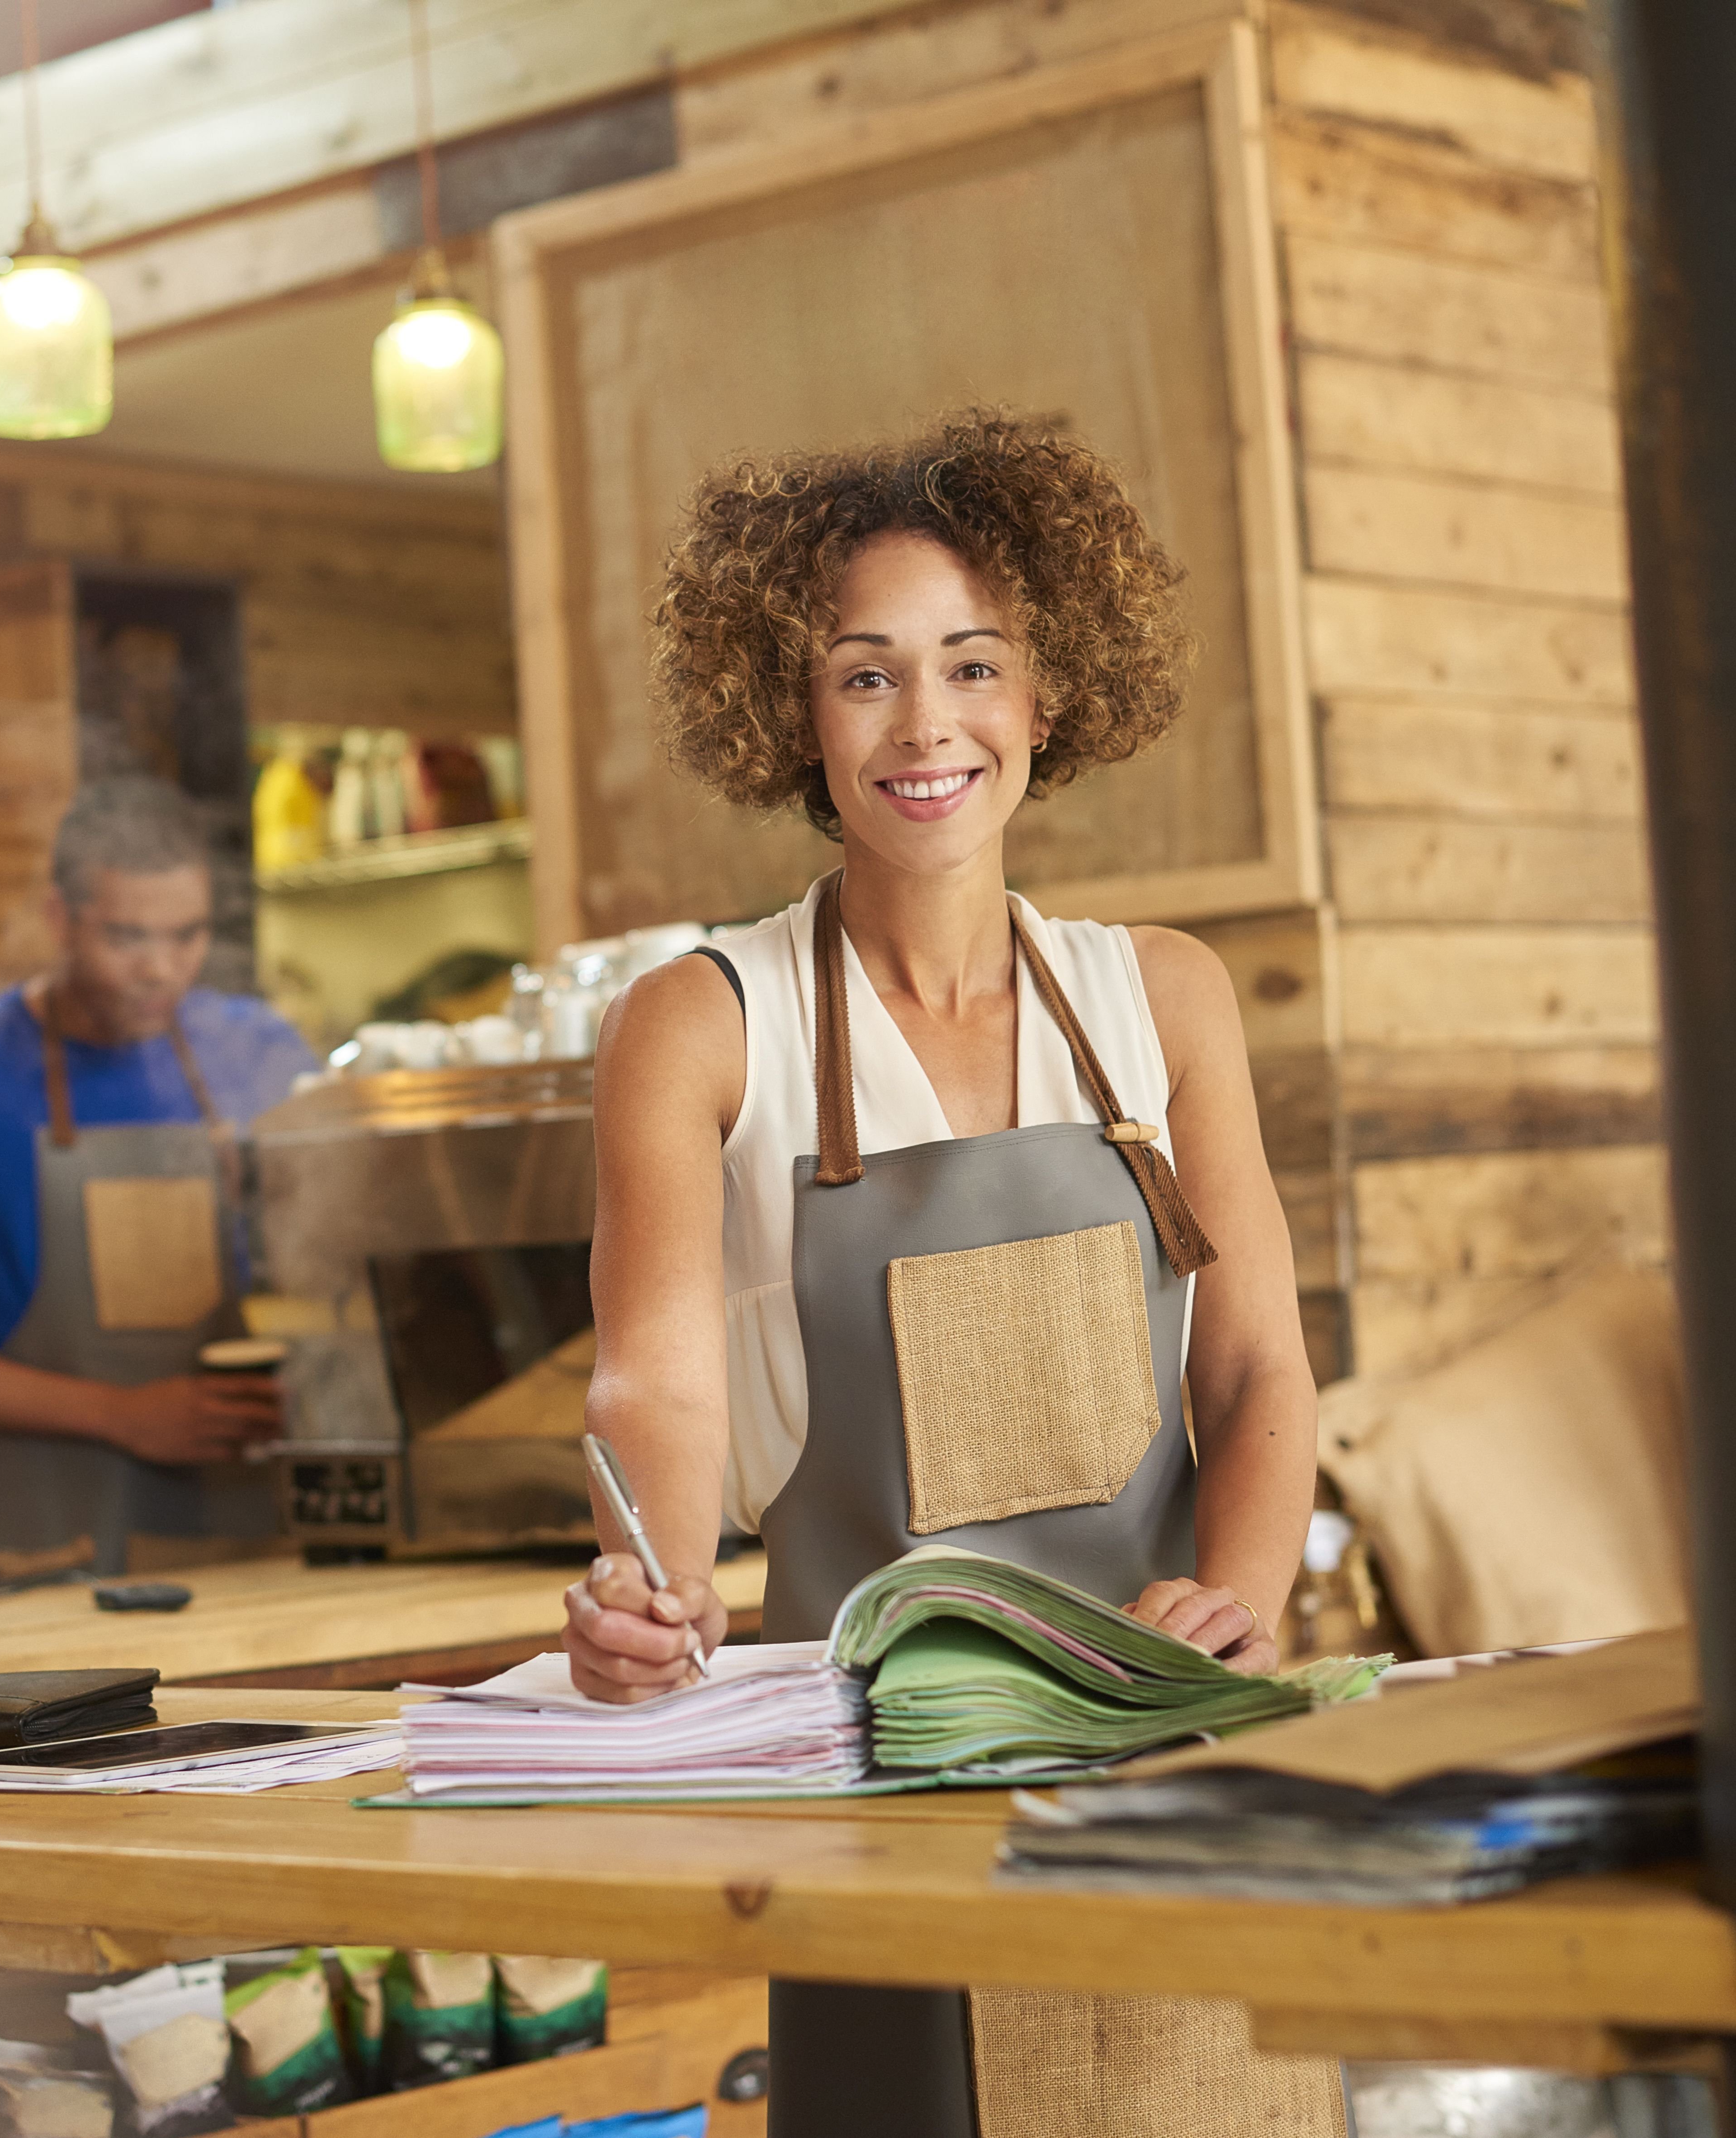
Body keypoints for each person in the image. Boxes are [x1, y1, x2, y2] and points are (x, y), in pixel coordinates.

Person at [565, 415, 1336, 2134]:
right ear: (794, 713)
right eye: (865, 675)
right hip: (874, 1790)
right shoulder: (707, 1021)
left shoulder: (1166, 999)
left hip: (1162, 1751)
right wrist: (657, 1582)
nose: (927, 725)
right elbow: (658, 1379)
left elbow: (1260, 1370)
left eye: (973, 664)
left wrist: (1242, 1599)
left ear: (1047, 697)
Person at [0, 776, 318, 1591]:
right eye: (128, 938)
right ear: (58, 917)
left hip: (243, 1525)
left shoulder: (260, 1051)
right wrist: (125, 1415)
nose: (161, 970)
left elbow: (334, 1261)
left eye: (188, 936)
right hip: (43, 1535)